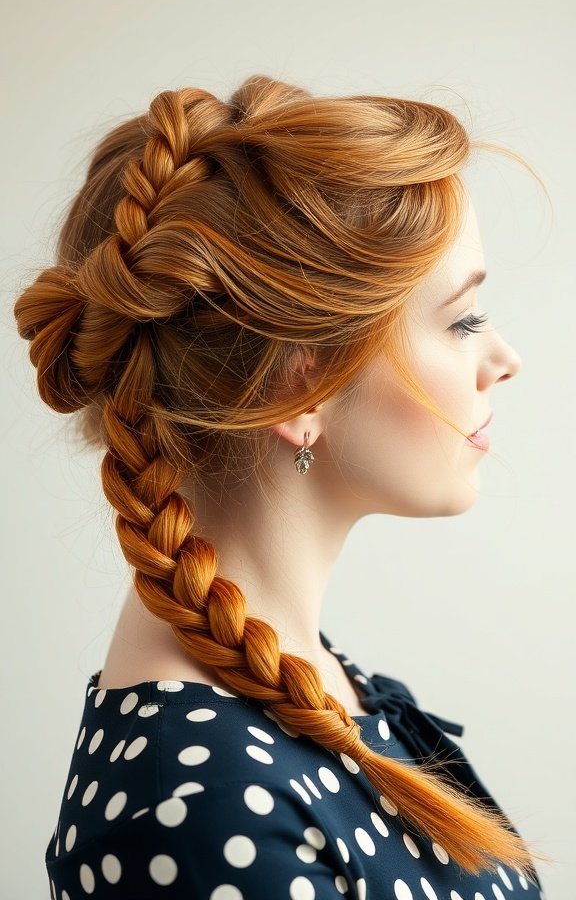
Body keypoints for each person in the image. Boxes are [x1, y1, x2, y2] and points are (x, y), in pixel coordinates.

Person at [14, 75, 551, 899]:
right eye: (462, 321)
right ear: (296, 394)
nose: (503, 359)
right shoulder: (196, 810)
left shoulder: (299, 679)